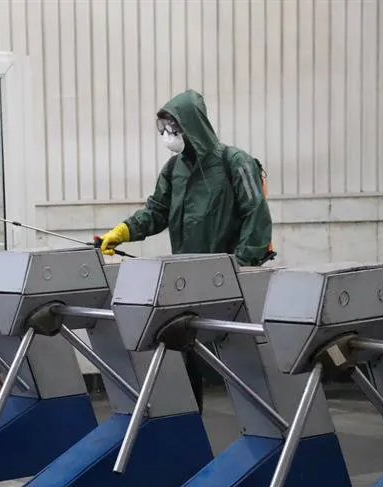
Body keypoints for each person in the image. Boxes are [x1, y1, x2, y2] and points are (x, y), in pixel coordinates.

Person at [98, 89, 274, 415]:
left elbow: (256, 214)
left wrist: (244, 263)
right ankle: (191, 423)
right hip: (186, 281)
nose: (168, 137)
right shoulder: (173, 170)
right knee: (184, 352)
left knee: (248, 364)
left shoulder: (236, 163)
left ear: (193, 126)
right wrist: (122, 232)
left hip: (232, 279)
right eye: (163, 131)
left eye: (173, 130)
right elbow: (156, 212)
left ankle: (269, 425)